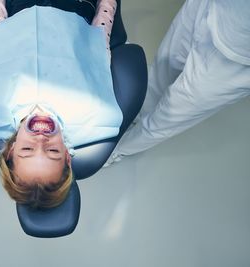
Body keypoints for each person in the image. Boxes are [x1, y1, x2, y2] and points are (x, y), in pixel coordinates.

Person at [0, 0, 122, 208]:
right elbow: (100, 31)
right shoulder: (92, 108)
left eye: (27, 150)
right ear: (67, 157)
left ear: (11, 150)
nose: (40, 140)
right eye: (52, 152)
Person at [105, 0, 250, 166]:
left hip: (238, 56)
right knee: (162, 70)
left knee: (169, 115)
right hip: (211, 5)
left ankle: (119, 149)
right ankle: (136, 113)